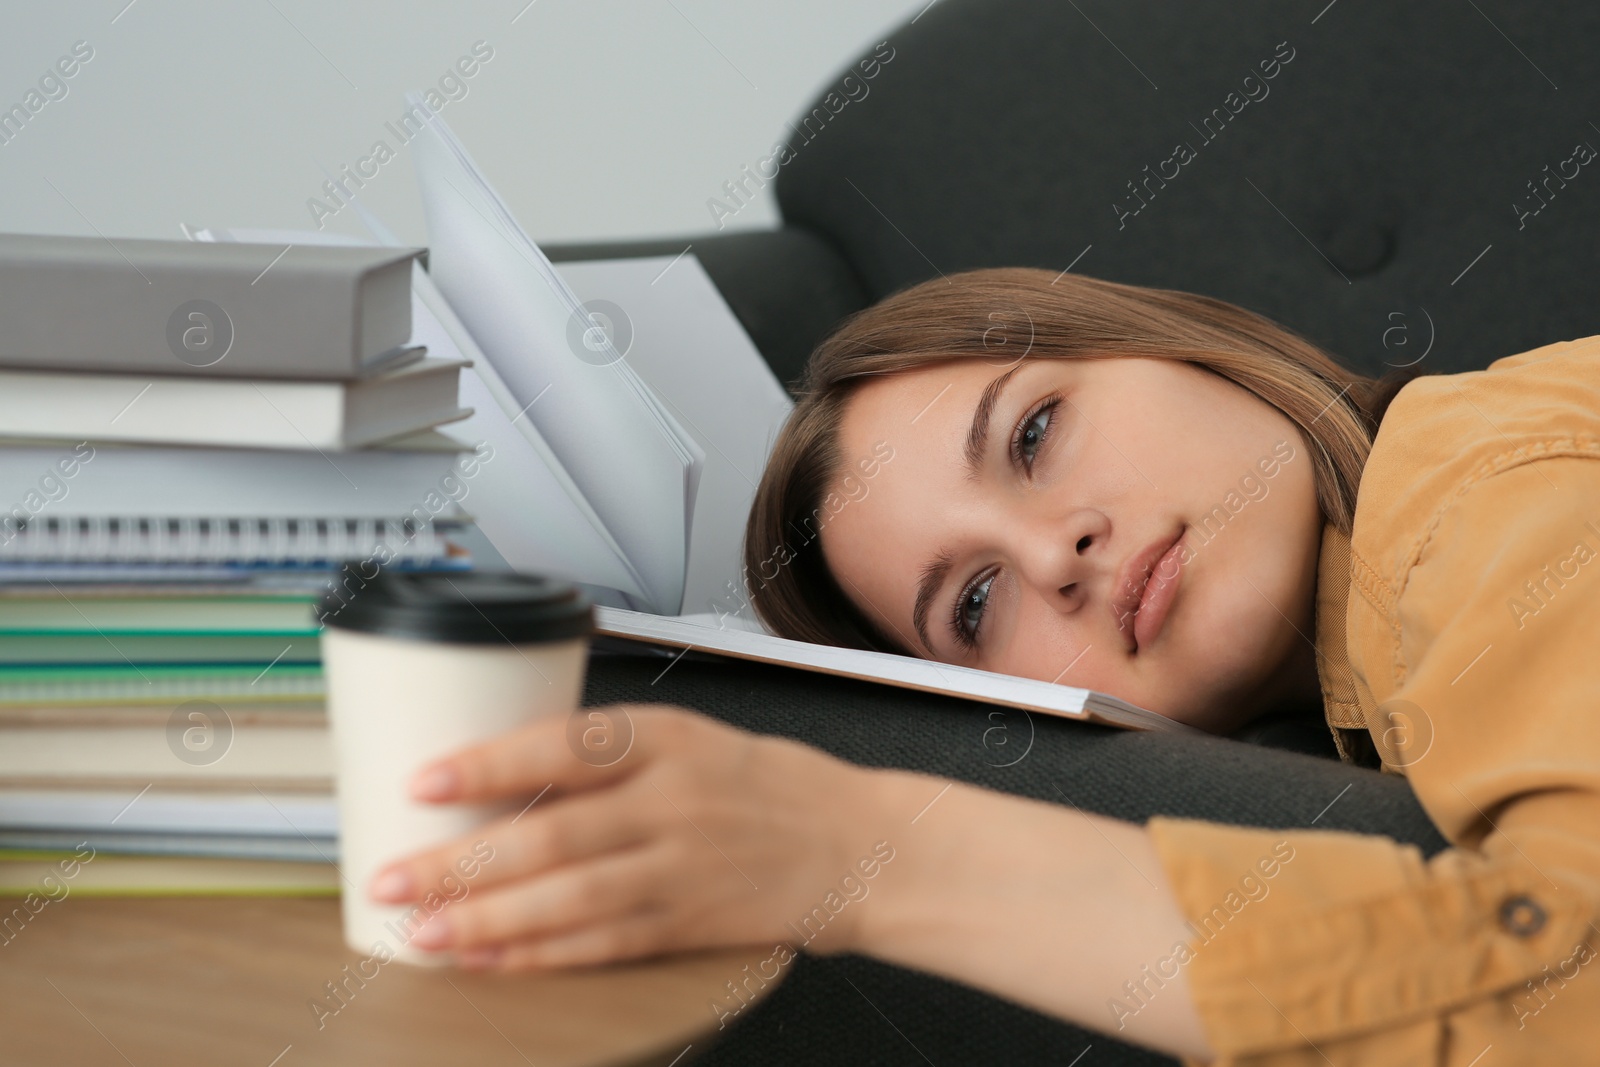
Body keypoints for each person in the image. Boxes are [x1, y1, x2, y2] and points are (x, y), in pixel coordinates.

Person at [370, 269, 1600, 1065]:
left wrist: (864, 846)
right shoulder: (1380, 642)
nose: (1052, 550)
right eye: (971, 600)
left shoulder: (1476, 497)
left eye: (1033, 431)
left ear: (1171, 340)